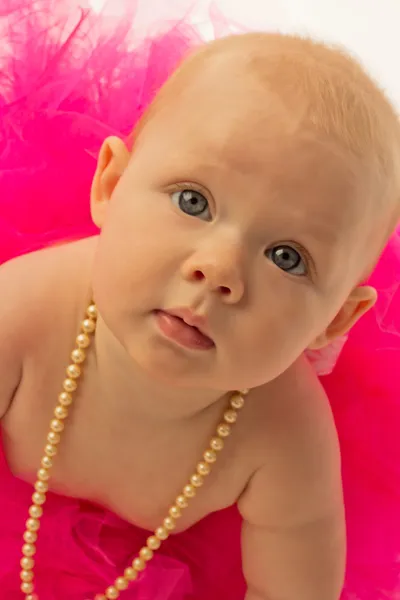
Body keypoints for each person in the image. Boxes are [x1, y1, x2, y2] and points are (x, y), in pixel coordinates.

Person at [0, 1, 399, 599]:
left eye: (287, 257)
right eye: (193, 202)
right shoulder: (22, 313)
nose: (219, 271)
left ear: (334, 320)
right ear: (110, 186)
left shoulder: (285, 434)